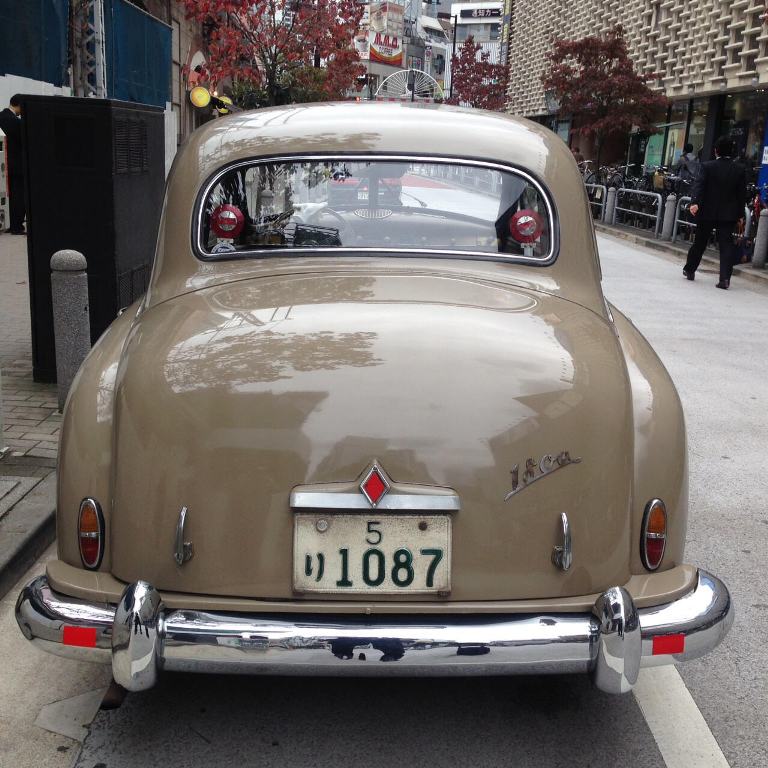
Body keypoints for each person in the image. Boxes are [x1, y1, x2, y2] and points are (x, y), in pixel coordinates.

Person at [683, 136, 746, 289]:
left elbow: (699, 185)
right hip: (728, 214)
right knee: (726, 245)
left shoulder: (707, 166)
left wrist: (695, 203)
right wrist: (740, 215)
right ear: (732, 151)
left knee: (700, 242)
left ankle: (690, 269)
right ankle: (725, 279)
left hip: (707, 211)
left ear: (716, 150)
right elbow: (741, 195)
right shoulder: (739, 169)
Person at [0, 94, 25, 234]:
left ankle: (7, 222)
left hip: (3, 164)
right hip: (17, 165)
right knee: (18, 196)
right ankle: (16, 226)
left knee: (5, 197)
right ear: (19, 105)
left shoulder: (1, 117)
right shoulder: (17, 122)